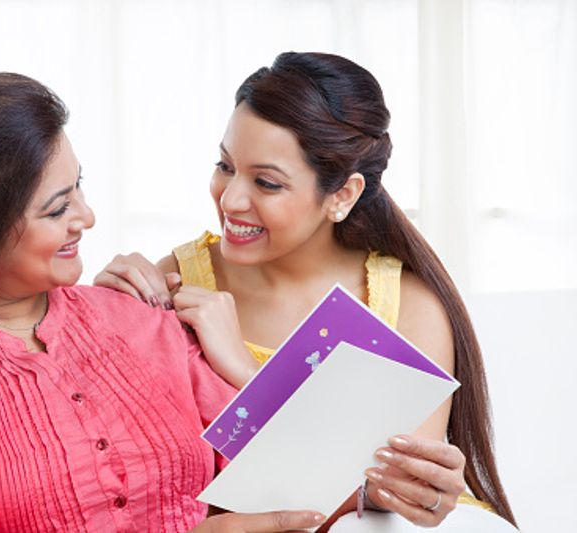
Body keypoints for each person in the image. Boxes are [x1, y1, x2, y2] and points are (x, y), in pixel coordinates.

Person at [0, 73, 328, 532]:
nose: (87, 217)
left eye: (79, 188)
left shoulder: (137, 314)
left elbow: (296, 480)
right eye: (56, 209)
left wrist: (242, 367)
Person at [94, 52, 517, 530]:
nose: (230, 198)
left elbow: (373, 504)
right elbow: (132, 480)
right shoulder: (176, 284)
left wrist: (245, 370)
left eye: (266, 183)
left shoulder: (406, 307)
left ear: (342, 195)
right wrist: (91, 320)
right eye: (225, 165)